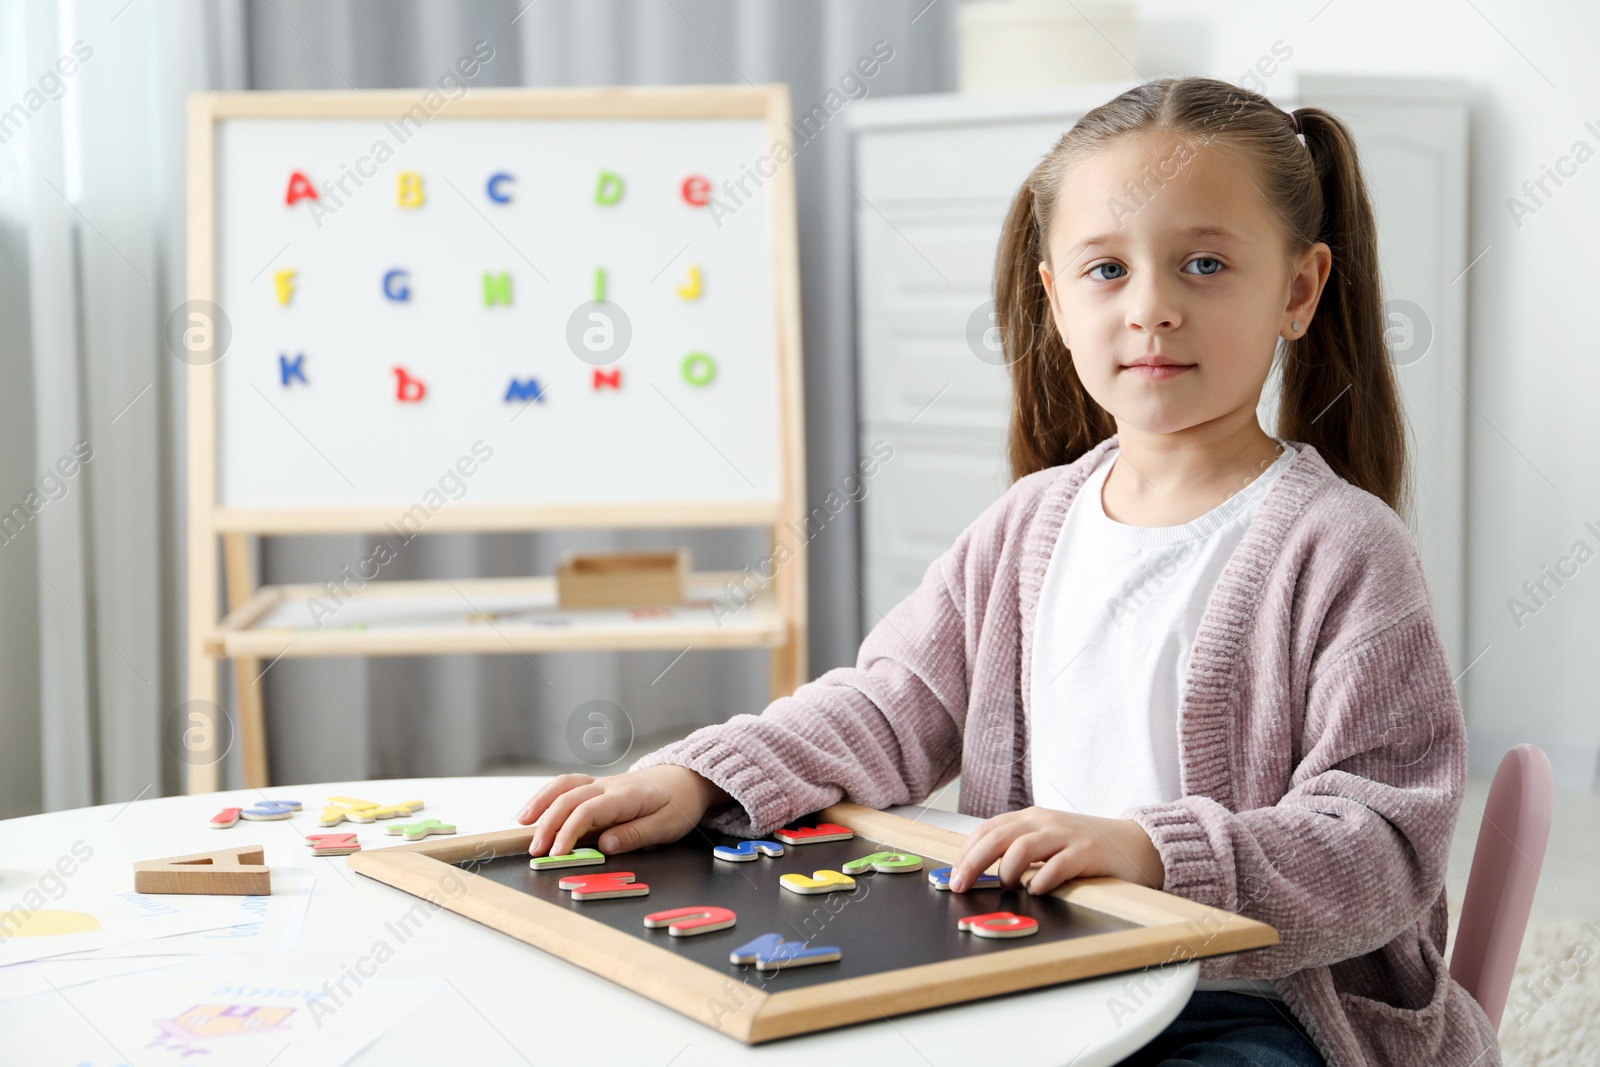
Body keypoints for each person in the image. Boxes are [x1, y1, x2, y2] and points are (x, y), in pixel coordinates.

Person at [515, 76, 1500, 1066]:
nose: (1151, 307)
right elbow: (891, 701)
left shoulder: (1344, 546)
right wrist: (705, 771)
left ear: (1297, 288)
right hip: (1030, 967)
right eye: (1106, 269)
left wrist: (1151, 853)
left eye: (1203, 263)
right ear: (1055, 300)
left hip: (1257, 1004)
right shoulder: (1029, 523)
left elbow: (1381, 844)